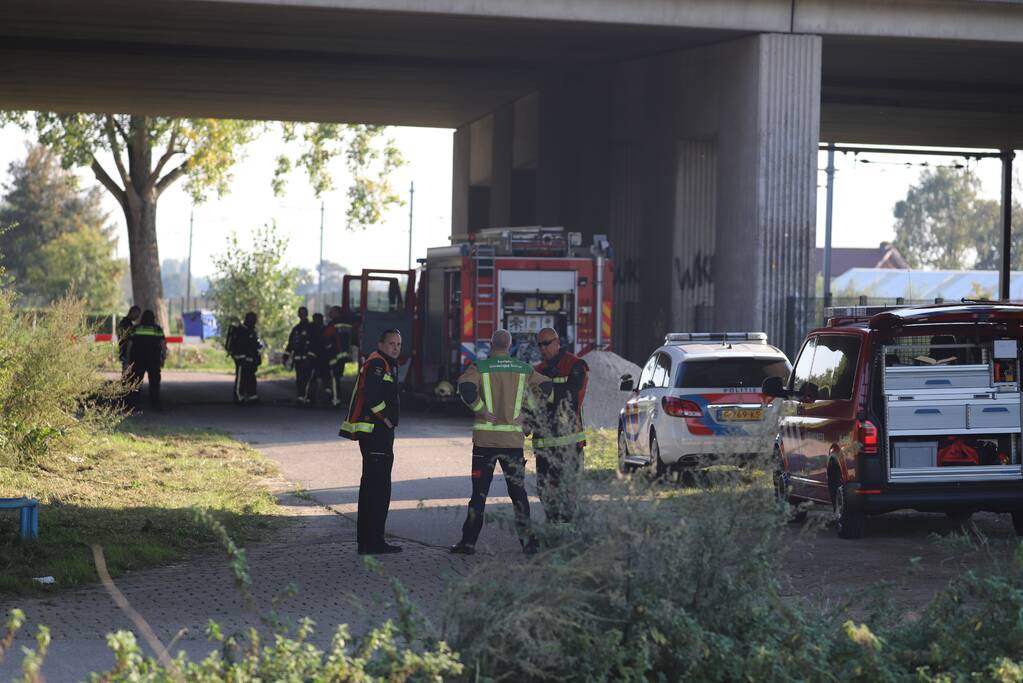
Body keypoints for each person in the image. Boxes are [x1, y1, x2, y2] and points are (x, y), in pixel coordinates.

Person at [450, 329, 553, 556]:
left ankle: (468, 543)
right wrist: (529, 413)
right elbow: (546, 387)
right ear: (510, 346)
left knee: (479, 494)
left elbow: (465, 388)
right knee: (518, 495)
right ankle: (529, 544)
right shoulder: (523, 369)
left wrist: (481, 410)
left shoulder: (480, 367)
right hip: (513, 443)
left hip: (485, 443)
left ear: (490, 344)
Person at [340, 329, 403, 555]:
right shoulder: (378, 364)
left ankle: (368, 542)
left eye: (398, 344)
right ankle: (373, 542)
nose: (395, 348)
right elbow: (372, 395)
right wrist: (386, 419)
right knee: (378, 489)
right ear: (381, 344)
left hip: (376, 434)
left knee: (372, 488)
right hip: (375, 434)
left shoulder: (384, 362)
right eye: (391, 343)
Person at [530, 327, 589, 523]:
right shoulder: (538, 371)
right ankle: (553, 528)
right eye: (539, 344)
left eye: (546, 343)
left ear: (557, 342)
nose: (542, 348)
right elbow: (530, 404)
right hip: (544, 445)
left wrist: (545, 389)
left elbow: (570, 397)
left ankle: (567, 531)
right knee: (545, 492)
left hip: (569, 443)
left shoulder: (575, 365)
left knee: (569, 493)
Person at [126, 309, 166, 410]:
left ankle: (132, 405)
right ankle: (155, 405)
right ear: (153, 318)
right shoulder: (157, 329)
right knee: (154, 383)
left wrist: (127, 359)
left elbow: (129, 345)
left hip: (138, 359)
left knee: (136, 383)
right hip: (153, 359)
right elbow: (163, 345)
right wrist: (163, 357)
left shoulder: (135, 329)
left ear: (142, 318)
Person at [323, 305, 358, 406]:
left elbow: (325, 336)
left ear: (336, 313)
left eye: (332, 312)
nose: (330, 314)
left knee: (334, 377)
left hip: (334, 355)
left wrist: (327, 348)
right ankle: (332, 393)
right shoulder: (348, 324)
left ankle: (335, 399)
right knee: (337, 375)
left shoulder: (333, 324)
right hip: (344, 355)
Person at [228, 312, 263, 404]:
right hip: (242, 359)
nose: (254, 322)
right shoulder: (240, 331)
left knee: (251, 378)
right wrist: (238, 356)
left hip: (251, 360)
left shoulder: (252, 331)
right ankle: (239, 396)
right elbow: (238, 346)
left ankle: (252, 396)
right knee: (241, 378)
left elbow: (256, 345)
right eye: (253, 320)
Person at [285, 306, 313, 403]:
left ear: (306, 314)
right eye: (300, 313)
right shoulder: (296, 329)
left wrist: (311, 356)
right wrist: (286, 356)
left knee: (308, 378)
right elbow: (291, 344)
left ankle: (308, 397)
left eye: (303, 313)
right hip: (298, 359)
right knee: (299, 378)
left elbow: (315, 343)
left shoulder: (311, 328)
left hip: (308, 358)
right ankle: (300, 396)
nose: (301, 315)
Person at [308, 312, 327, 406]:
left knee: (318, 378)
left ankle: (316, 398)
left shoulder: (315, 329)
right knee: (316, 378)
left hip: (321, 358)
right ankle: (314, 397)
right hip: (318, 357)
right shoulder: (322, 329)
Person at [116, 305, 141, 372]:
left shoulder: (123, 322)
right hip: (127, 351)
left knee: (125, 371)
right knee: (127, 372)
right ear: (132, 312)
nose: (137, 317)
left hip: (123, 349)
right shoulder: (127, 324)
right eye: (137, 315)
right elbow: (129, 339)